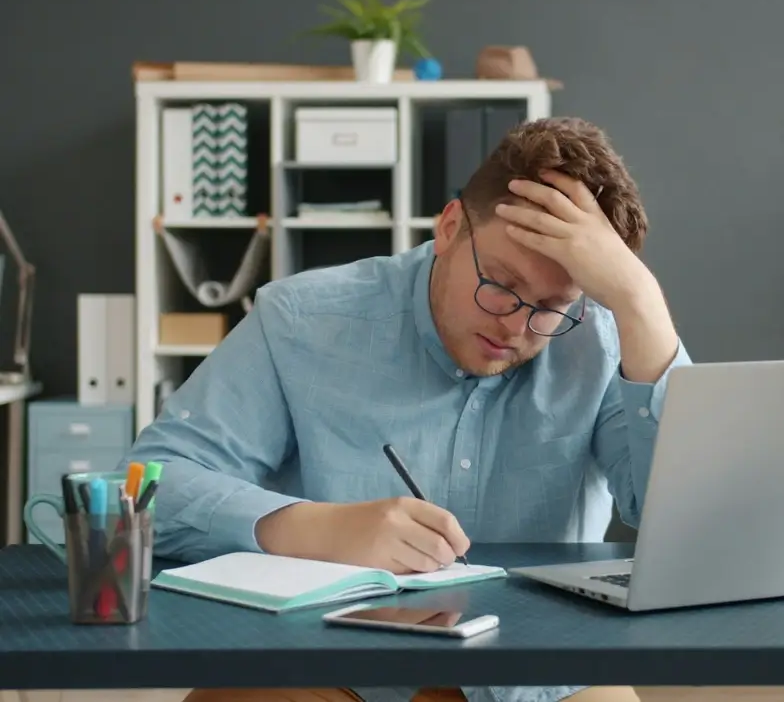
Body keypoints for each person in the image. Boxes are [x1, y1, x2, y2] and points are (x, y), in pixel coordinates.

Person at [123, 117, 693, 702]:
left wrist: (640, 302)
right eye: (500, 282)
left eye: (552, 306)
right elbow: (144, 488)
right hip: (326, 665)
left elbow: (688, 523)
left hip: (541, 680)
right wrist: (310, 527)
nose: (517, 325)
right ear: (448, 228)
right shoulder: (300, 320)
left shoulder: (601, 342)